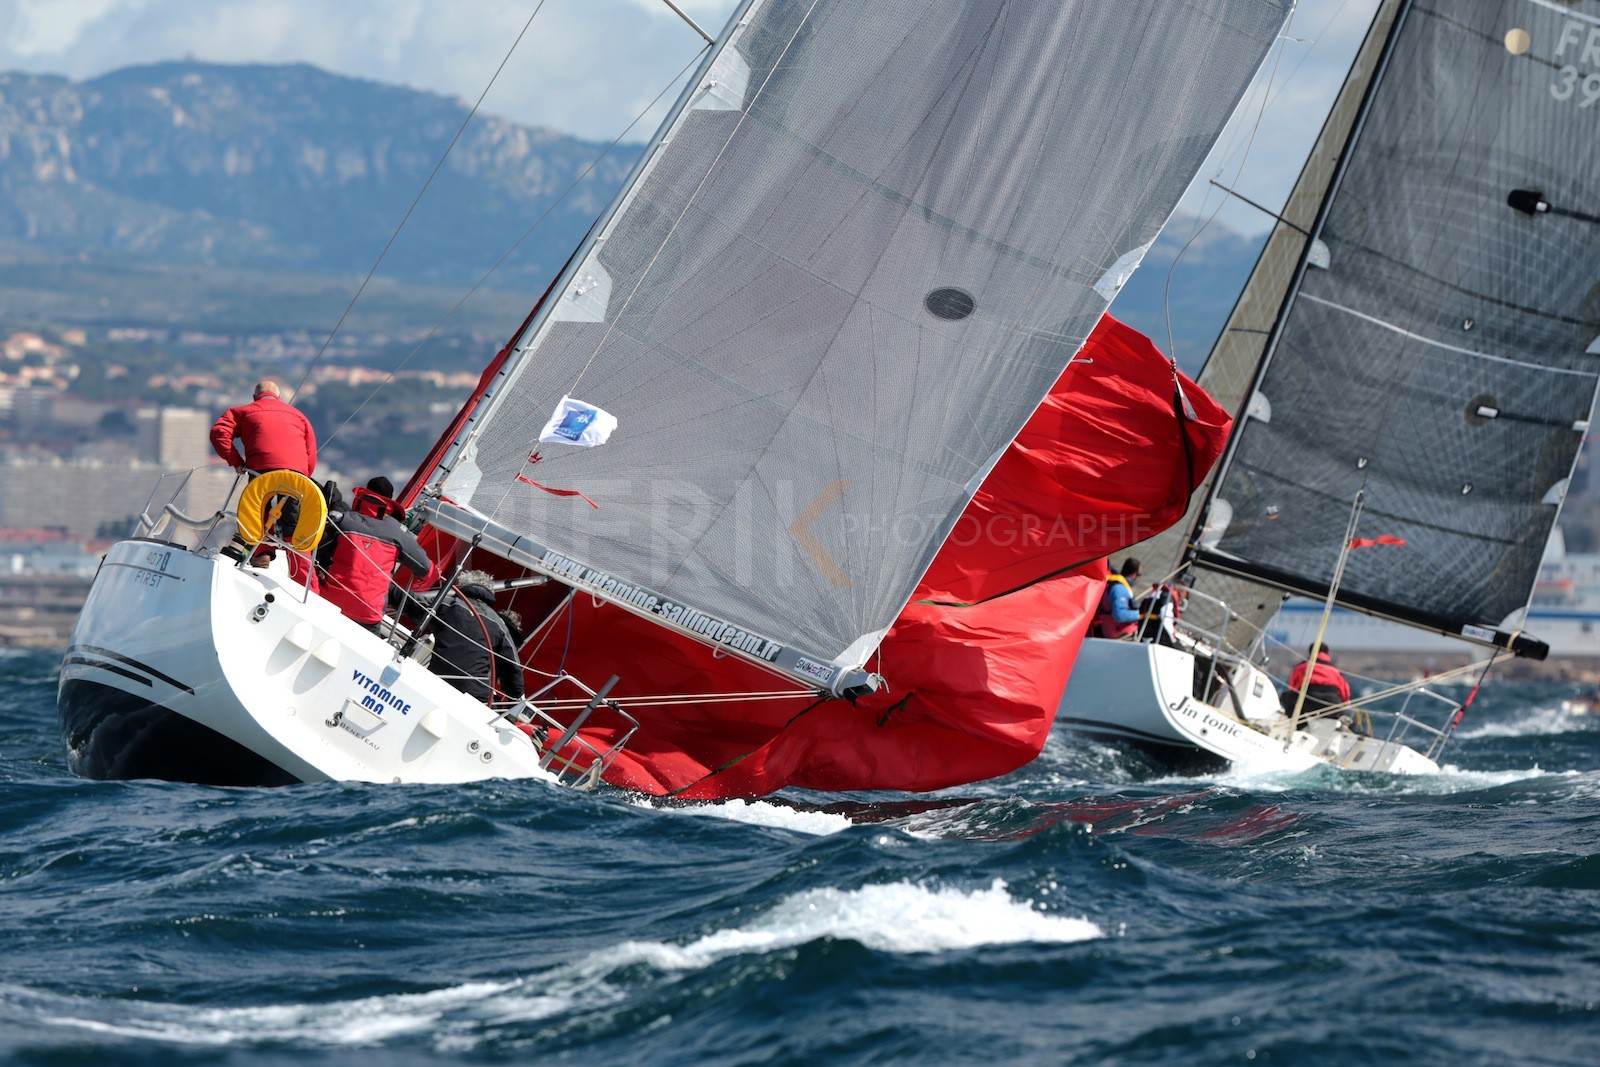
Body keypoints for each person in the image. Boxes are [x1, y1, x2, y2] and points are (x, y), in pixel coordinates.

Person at [320, 477, 437, 630]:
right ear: (388, 503)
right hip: (367, 614)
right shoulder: (397, 532)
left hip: (329, 601)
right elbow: (428, 572)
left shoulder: (343, 520)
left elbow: (316, 552)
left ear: (362, 495)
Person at [426, 569, 525, 706]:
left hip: (435, 681)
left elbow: (410, 602)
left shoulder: (449, 604)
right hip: (475, 698)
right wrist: (514, 699)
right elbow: (514, 676)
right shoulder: (498, 625)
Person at [209, 379, 317, 476]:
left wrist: (236, 462)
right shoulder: (300, 416)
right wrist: (305, 475)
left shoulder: (241, 413)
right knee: (290, 497)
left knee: (259, 498)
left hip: (260, 471)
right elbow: (311, 452)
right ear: (279, 398)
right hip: (296, 474)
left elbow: (219, 433)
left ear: (254, 398)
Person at [1281, 644, 1351, 717]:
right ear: (1327, 653)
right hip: (1331, 703)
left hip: (1308, 701)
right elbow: (1345, 694)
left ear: (1310, 652)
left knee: (1286, 697)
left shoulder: (1302, 667)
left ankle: (1300, 725)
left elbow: (1293, 688)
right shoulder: (1335, 671)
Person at [1091, 557, 1142, 639]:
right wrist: (1140, 614)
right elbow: (1119, 615)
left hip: (1106, 630)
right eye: (1138, 575)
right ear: (1134, 574)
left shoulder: (1115, 584)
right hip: (1120, 634)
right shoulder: (1119, 588)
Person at [1136, 581, 1183, 648]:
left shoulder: (1149, 596)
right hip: (1159, 639)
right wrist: (1173, 640)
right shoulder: (1167, 596)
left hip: (1143, 636)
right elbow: (1166, 620)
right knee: (1182, 650)